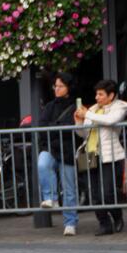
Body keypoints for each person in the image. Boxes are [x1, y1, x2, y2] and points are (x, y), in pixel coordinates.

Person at [76, 79, 127, 236]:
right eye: (96, 94)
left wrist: (88, 114)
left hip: (109, 155)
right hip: (89, 154)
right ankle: (104, 224)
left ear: (111, 95)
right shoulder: (92, 109)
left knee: (107, 193)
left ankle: (117, 217)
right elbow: (83, 134)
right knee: (94, 194)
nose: (97, 97)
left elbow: (111, 121)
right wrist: (78, 122)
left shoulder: (120, 106)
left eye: (100, 94)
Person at [37, 72, 81, 236]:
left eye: (60, 86)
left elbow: (72, 128)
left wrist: (54, 128)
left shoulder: (76, 106)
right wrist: (57, 129)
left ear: (68, 88)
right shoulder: (50, 106)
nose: (57, 89)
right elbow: (42, 127)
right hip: (52, 147)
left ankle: (70, 222)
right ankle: (51, 197)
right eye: (55, 86)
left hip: (68, 150)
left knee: (69, 187)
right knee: (43, 163)